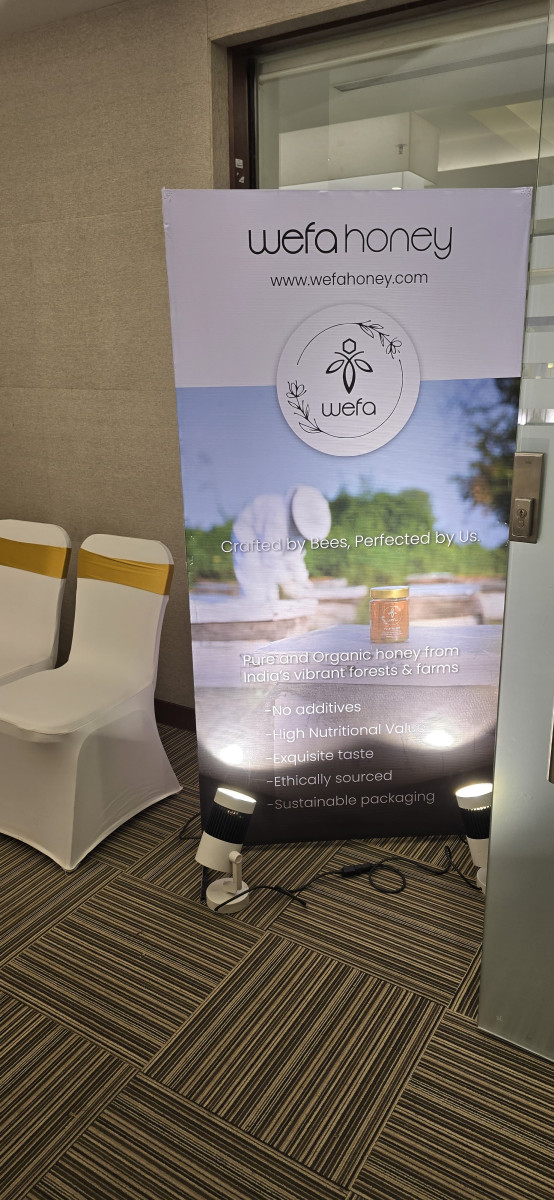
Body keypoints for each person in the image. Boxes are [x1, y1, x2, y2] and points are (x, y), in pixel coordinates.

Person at [231, 485, 331, 605]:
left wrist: (303, 581)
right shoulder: (276, 515)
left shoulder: (296, 526)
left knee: (271, 594)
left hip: (268, 542)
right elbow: (270, 557)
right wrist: (287, 582)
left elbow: (294, 557)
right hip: (248, 535)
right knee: (255, 588)